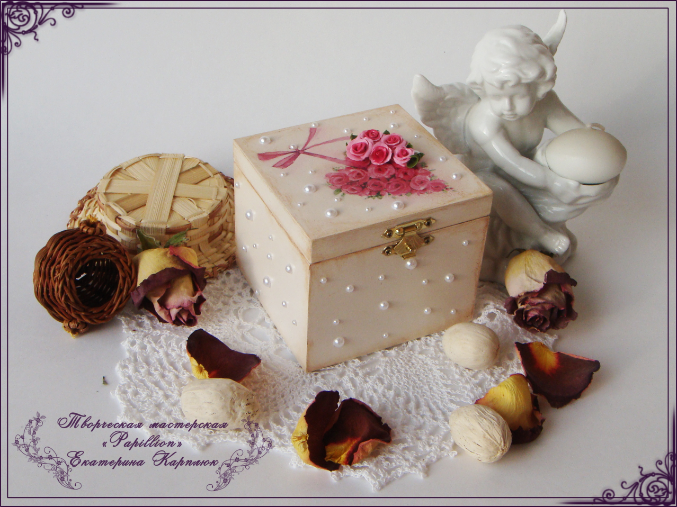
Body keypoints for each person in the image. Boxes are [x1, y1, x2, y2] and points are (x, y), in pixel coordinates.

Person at [412, 11, 618, 282]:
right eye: (497, 96)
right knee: (496, 187)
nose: (507, 106)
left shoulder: (546, 103)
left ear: (538, 87)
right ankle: (541, 233)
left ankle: (547, 226)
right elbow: (512, 163)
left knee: (558, 155)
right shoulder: (484, 119)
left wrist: (592, 142)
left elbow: (573, 133)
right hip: (485, 173)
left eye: (518, 95)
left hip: (529, 164)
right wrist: (552, 181)